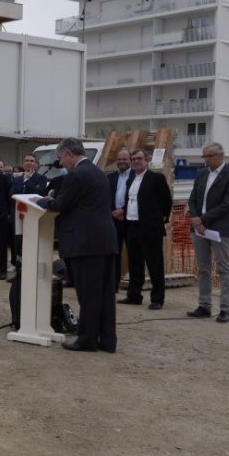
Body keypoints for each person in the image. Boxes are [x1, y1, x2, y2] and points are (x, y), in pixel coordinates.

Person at [37, 138, 119, 352]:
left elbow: (60, 205)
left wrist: (43, 201)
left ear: (69, 154)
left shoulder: (76, 174)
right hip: (104, 241)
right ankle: (107, 340)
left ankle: (87, 339)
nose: (60, 163)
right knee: (104, 294)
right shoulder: (97, 172)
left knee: (89, 294)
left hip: (85, 243)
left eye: (60, 158)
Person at [187, 142, 229, 323]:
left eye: (210, 156)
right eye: (204, 156)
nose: (206, 160)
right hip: (199, 229)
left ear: (221, 156)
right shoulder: (202, 174)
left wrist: (203, 219)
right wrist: (196, 219)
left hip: (219, 229)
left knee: (224, 268)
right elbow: (193, 198)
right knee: (203, 268)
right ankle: (204, 305)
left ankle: (225, 309)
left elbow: (228, 205)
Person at [120, 149, 172, 310]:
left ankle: (157, 299)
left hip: (149, 228)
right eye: (133, 159)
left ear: (146, 160)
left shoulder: (156, 178)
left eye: (139, 159)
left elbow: (166, 201)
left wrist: (160, 219)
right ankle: (134, 295)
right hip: (132, 225)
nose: (136, 161)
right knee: (134, 264)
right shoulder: (130, 179)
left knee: (154, 265)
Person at [107, 148, 132, 282]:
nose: (121, 162)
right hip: (113, 219)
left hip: (130, 219)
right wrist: (113, 212)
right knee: (114, 252)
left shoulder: (135, 176)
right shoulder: (110, 177)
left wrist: (123, 210)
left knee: (133, 253)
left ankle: (133, 288)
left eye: (124, 159)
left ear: (130, 161)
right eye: (119, 159)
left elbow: (137, 198)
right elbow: (105, 196)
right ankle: (114, 284)